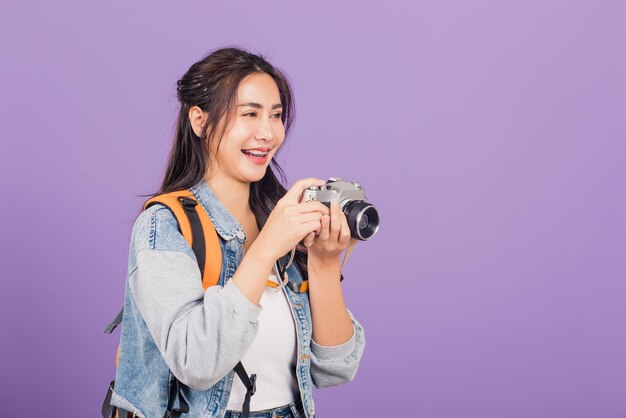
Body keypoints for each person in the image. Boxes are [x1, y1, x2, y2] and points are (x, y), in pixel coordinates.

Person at [109, 46, 366, 418]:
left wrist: (325, 262)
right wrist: (265, 250)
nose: (267, 133)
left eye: (276, 116)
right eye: (250, 114)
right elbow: (196, 363)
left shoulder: (279, 216)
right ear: (199, 120)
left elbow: (336, 367)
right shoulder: (164, 226)